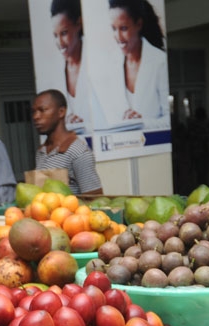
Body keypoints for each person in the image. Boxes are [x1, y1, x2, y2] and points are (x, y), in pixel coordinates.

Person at [109, 0, 170, 129]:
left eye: (123, 28)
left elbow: (169, 119)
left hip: (153, 141)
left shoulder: (160, 62)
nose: (118, 36)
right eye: (114, 29)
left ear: (138, 24)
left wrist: (141, 123)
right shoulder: (112, 64)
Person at [32, 89, 103, 195]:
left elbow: (95, 198)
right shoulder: (41, 151)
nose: (35, 116)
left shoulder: (78, 152)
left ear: (61, 112)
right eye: (33, 111)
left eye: (42, 110)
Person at [49, 0, 92, 131]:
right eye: (55, 35)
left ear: (78, 24)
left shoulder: (96, 61)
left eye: (64, 33)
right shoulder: (55, 72)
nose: (60, 42)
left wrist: (83, 125)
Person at [187, 107, 209, 189]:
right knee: (202, 174)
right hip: (201, 153)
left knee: (198, 173)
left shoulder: (192, 126)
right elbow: (205, 138)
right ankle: (202, 187)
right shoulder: (202, 126)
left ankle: (199, 187)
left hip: (195, 152)